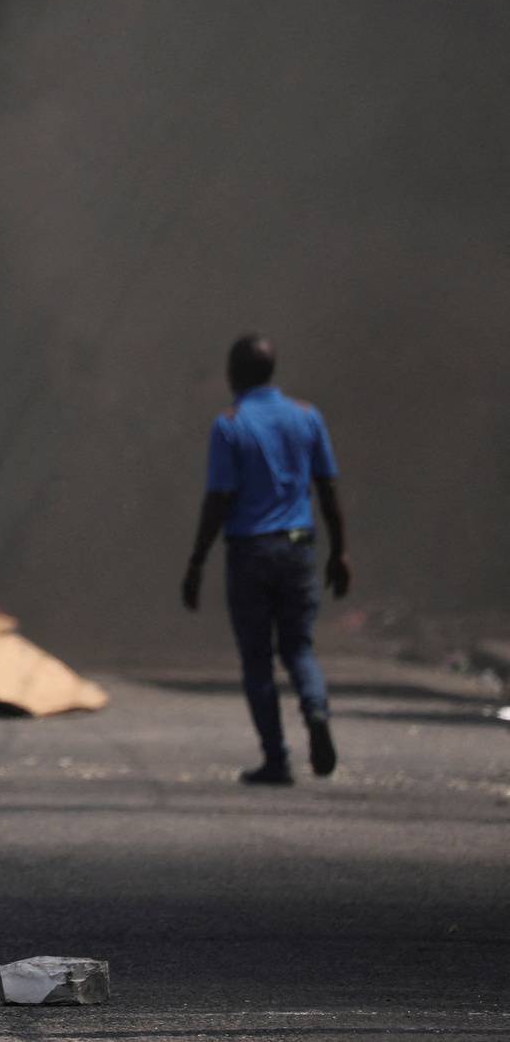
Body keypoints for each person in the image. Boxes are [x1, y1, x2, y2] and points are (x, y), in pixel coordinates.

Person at [181, 334, 350, 785]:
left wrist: (197, 559)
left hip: (250, 552)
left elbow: (219, 497)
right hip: (299, 547)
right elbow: (328, 487)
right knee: (299, 647)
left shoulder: (231, 424)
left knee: (257, 661)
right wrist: (340, 550)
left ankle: (277, 759)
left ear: (233, 374)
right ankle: (316, 711)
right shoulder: (307, 417)